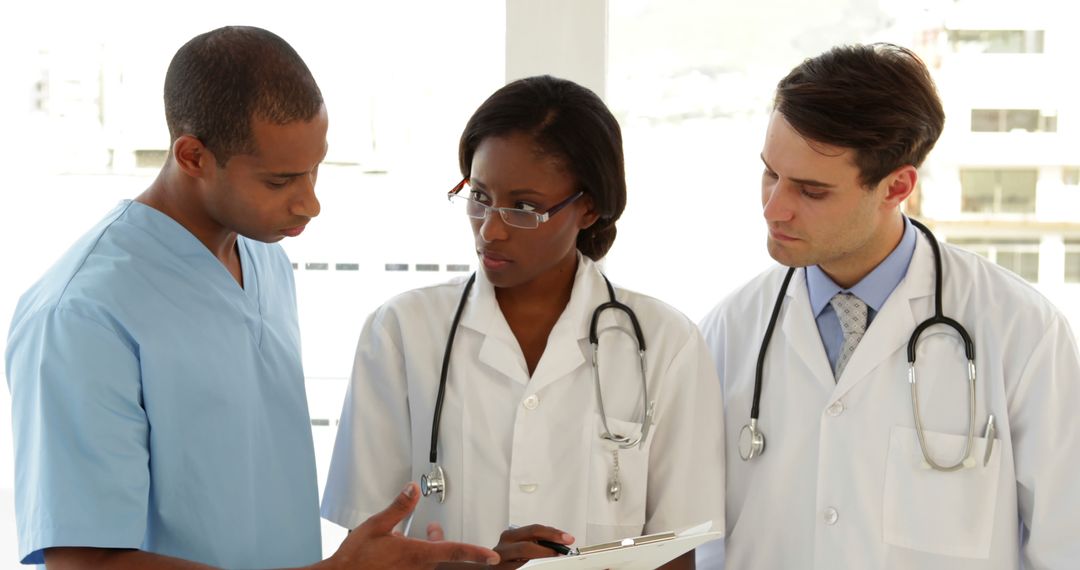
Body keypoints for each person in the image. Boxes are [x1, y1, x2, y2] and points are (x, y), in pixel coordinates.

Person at [5, 26, 497, 570]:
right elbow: (84, 564)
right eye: (280, 180)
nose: (310, 204)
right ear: (193, 156)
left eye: (315, 168)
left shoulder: (264, 259)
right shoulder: (81, 314)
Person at [698, 43, 1080, 569]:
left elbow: (1066, 543)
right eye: (770, 174)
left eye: (811, 191)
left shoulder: (1021, 332)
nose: (773, 208)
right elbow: (700, 541)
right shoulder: (729, 330)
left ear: (896, 186)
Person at [320, 75, 725, 569]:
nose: (491, 230)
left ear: (589, 207)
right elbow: (362, 550)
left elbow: (676, 552)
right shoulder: (402, 330)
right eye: (481, 197)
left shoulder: (666, 343)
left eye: (525, 208)